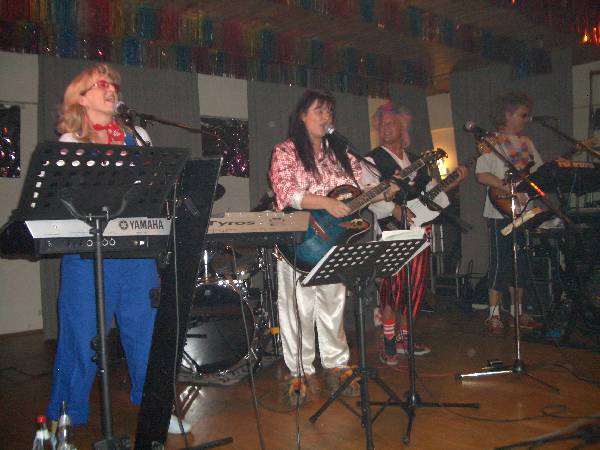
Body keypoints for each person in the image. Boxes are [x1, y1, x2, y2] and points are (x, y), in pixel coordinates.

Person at [46, 63, 189, 434]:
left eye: (114, 85)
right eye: (100, 84)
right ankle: (64, 416)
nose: (111, 90)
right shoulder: (71, 142)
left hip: (134, 252)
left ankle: (155, 409)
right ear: (80, 98)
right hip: (86, 252)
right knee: (81, 337)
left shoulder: (137, 136)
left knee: (145, 334)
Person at [268, 89, 397, 404]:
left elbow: (363, 188)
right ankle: (300, 372)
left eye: (329, 111)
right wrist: (325, 202)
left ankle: (337, 365)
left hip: (335, 241)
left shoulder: (342, 154)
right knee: (297, 309)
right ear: (302, 116)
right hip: (298, 240)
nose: (326, 117)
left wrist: (383, 191)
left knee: (332, 305)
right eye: (319, 111)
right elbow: (287, 192)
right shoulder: (285, 151)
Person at [366, 101, 468, 365]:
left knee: (413, 286)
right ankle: (389, 340)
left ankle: (405, 337)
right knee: (392, 287)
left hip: (419, 229)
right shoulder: (372, 160)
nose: (385, 128)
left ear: (403, 128)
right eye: (381, 125)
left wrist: (453, 182)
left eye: (391, 123)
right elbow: (369, 195)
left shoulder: (416, 161)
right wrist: (395, 209)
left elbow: (433, 193)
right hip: (391, 230)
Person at [475, 92, 543, 335]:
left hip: (524, 209)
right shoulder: (491, 141)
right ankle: (493, 315)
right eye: (522, 114)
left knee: (521, 262)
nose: (526, 118)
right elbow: (482, 175)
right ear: (508, 113)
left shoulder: (527, 143)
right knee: (500, 262)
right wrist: (509, 188)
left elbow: (539, 174)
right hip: (499, 209)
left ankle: (518, 312)